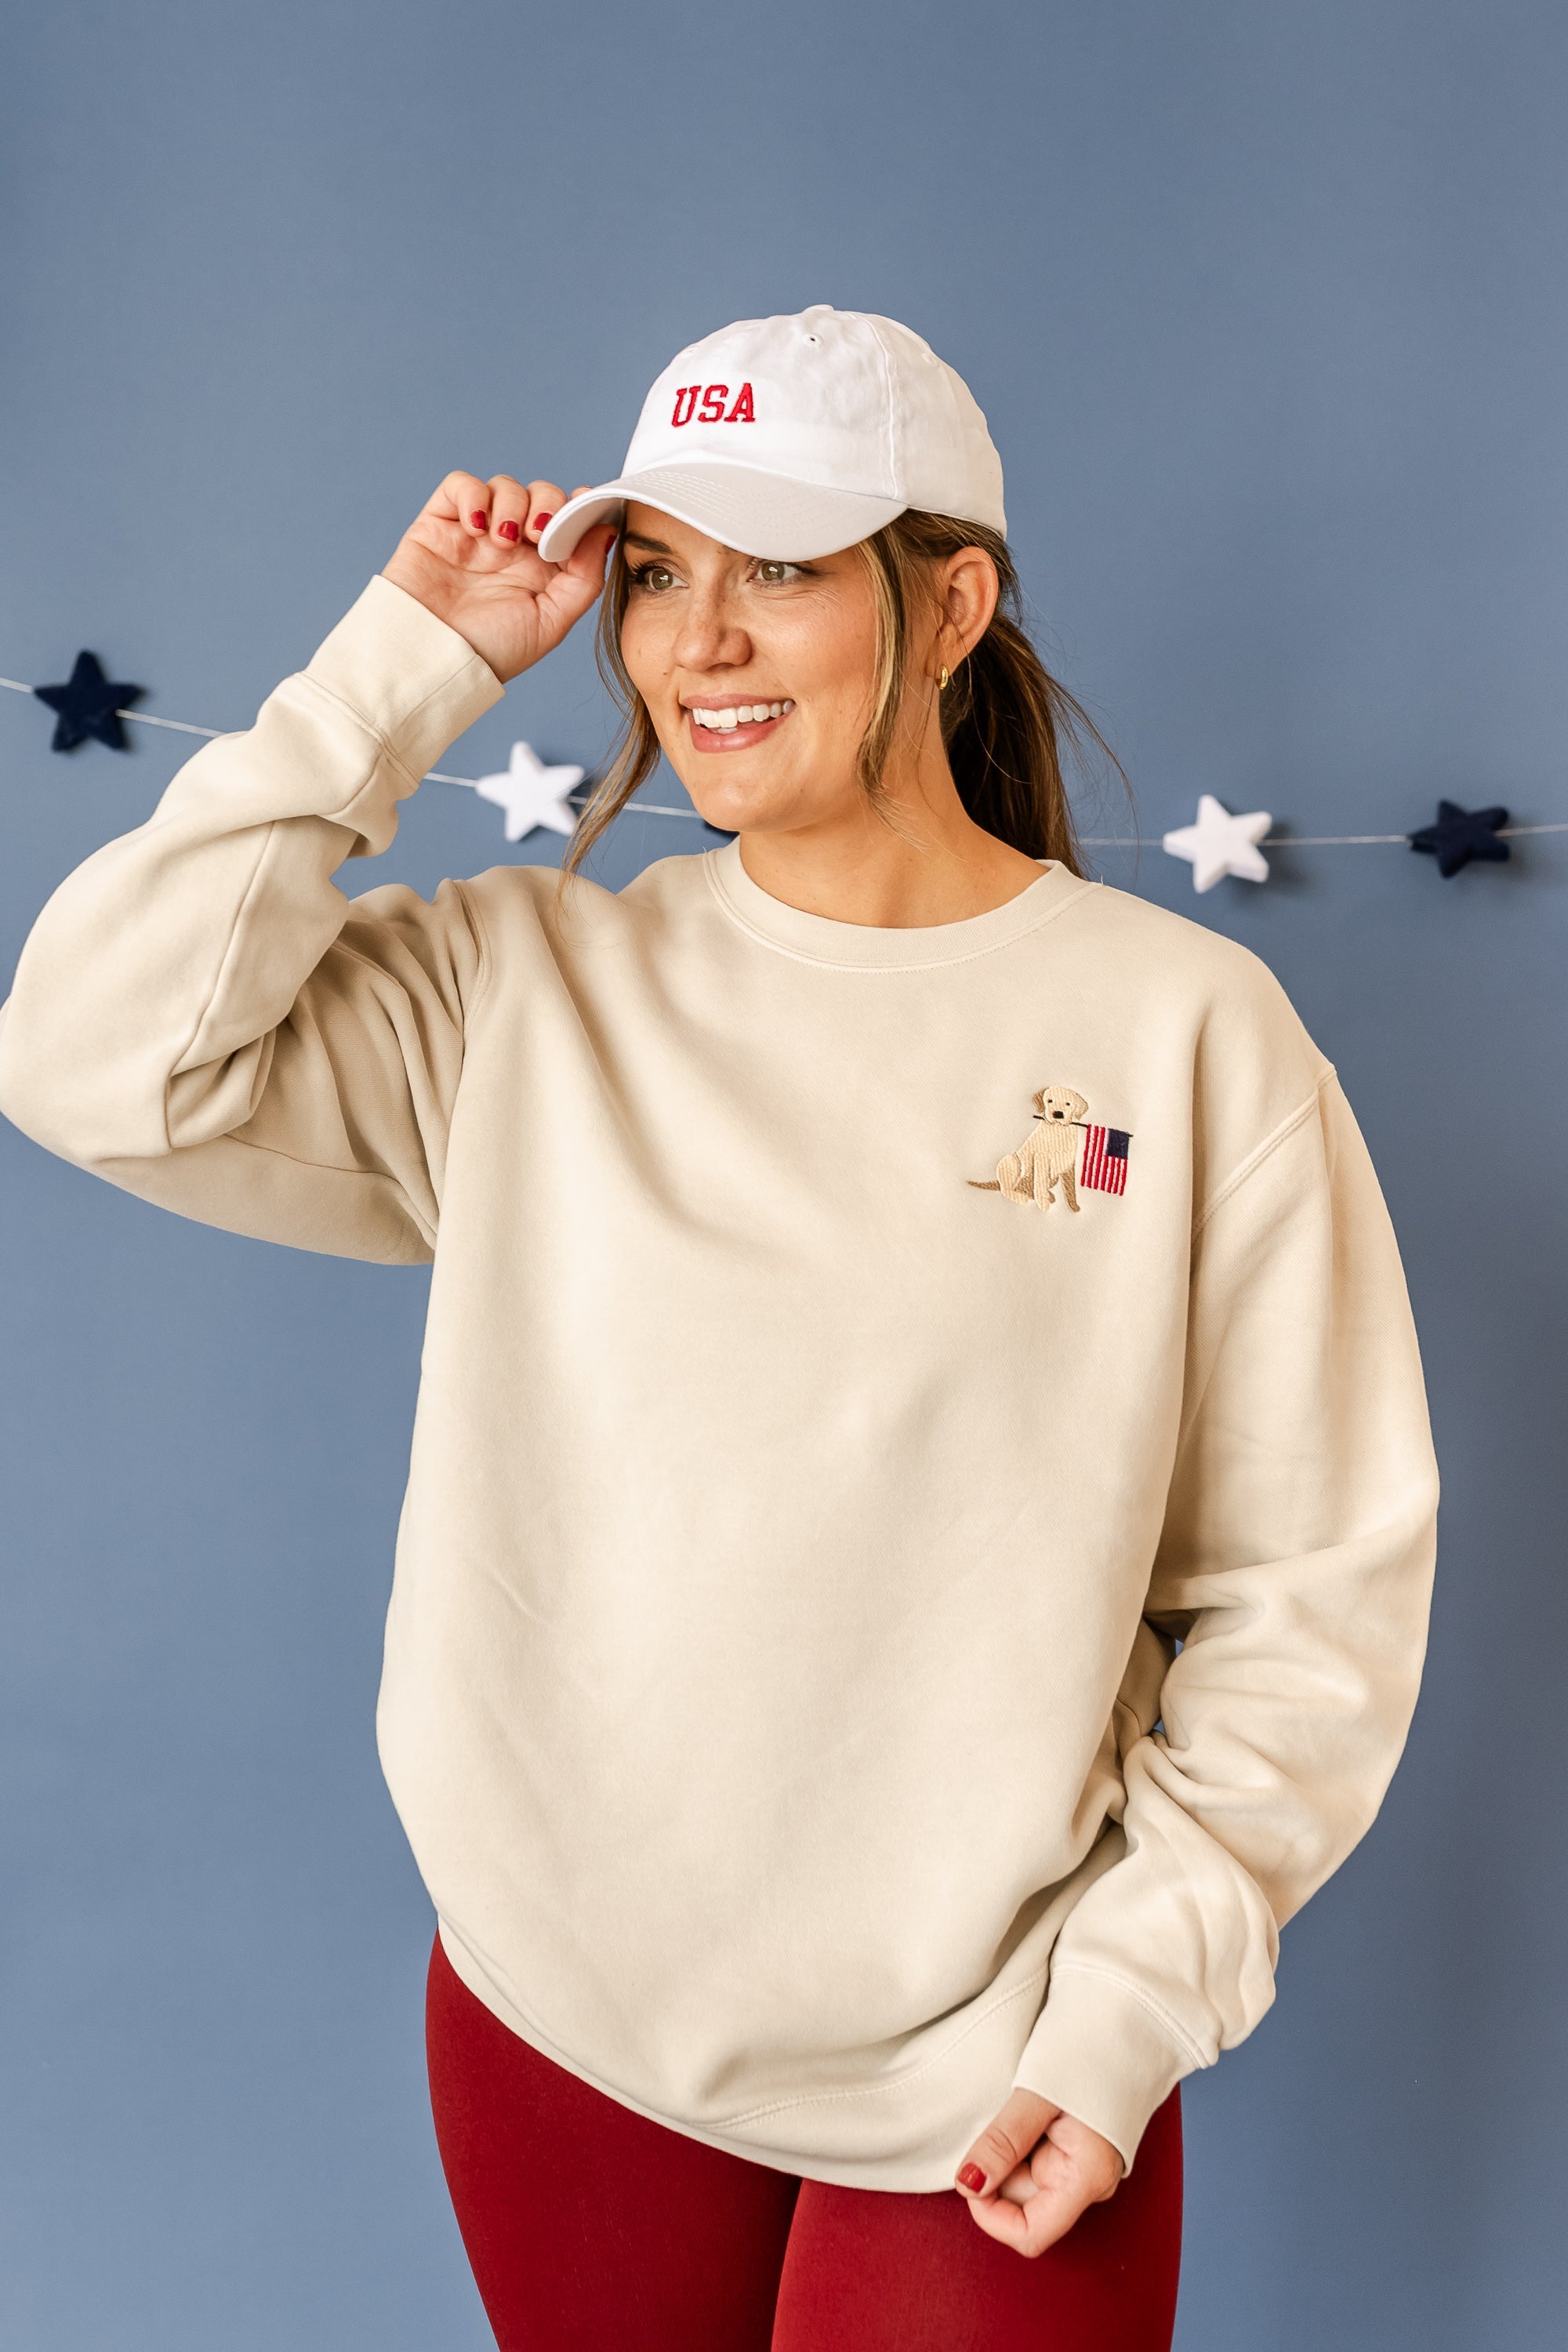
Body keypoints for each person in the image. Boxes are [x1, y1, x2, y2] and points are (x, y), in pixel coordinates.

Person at [0, 306, 1439, 2352]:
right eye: (661, 572)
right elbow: (88, 1056)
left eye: (778, 566)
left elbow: (1315, 1594)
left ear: (953, 609)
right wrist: (401, 667)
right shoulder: (525, 990)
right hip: (562, 2024)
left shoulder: (1184, 1037)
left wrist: (1134, 2004)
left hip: (997, 2053)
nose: (701, 642)